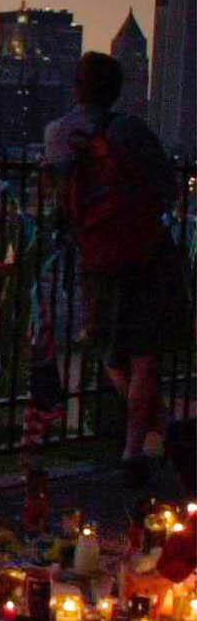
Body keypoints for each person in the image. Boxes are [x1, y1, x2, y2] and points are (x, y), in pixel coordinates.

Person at [42, 52, 189, 487]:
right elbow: (166, 187)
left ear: (76, 86)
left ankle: (157, 432)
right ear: (118, 89)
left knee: (106, 347)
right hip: (144, 252)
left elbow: (58, 196)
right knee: (145, 354)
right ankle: (139, 447)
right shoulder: (130, 130)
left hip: (94, 255)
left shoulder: (57, 134)